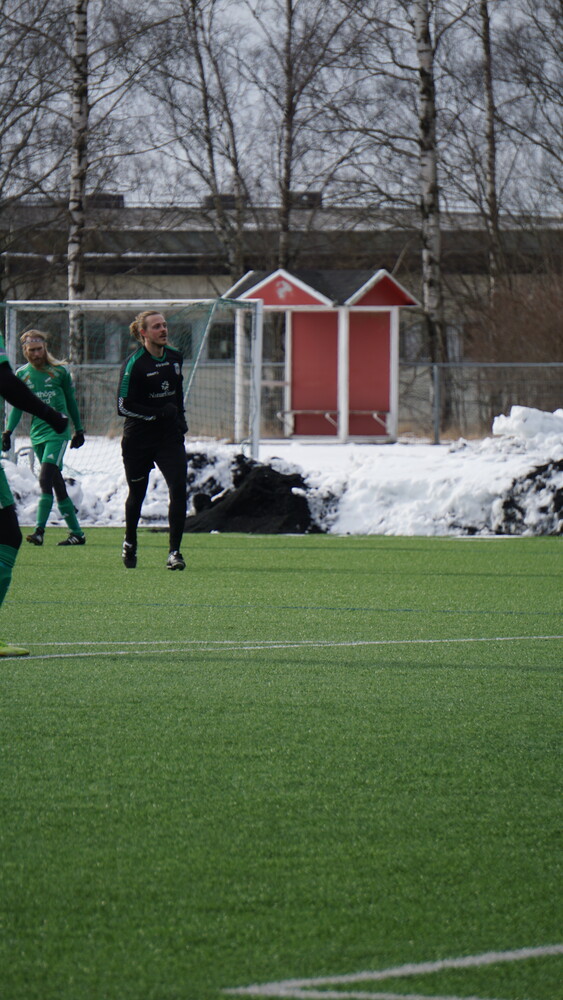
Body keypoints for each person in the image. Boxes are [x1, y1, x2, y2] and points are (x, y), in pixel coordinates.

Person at [0, 329, 69, 655]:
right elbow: (6, 383)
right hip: (44, 431)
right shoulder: (23, 373)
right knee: (7, 536)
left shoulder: (59, 373)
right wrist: (51, 415)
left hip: (48, 438)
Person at [117, 311, 188, 570]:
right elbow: (123, 406)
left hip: (169, 437)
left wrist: (180, 418)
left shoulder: (175, 357)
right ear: (143, 333)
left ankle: (174, 552)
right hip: (139, 439)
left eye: (165, 325)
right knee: (137, 493)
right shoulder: (134, 364)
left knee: (179, 488)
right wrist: (158, 413)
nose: (163, 329)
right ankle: (130, 541)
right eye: (157, 326)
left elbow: (177, 393)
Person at [2, 330, 86, 547]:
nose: (36, 354)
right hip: (37, 434)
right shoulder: (22, 374)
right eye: (32, 350)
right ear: (25, 351)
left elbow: (71, 401)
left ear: (45, 348)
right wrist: (8, 431)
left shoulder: (59, 371)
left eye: (39, 349)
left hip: (58, 432)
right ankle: (77, 533)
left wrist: (79, 429)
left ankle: (39, 530)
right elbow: (18, 407)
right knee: (57, 483)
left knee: (45, 477)